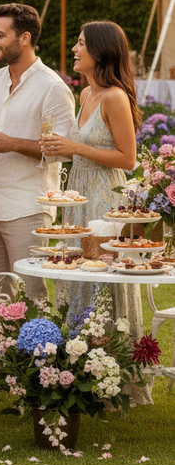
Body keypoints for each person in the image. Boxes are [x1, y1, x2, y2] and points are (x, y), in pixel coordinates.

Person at [0, 3, 75, 303]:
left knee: (31, 295)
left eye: (0, 35)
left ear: (23, 38)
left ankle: (40, 352)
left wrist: (13, 143)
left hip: (27, 208)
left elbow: (63, 149)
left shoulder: (52, 87)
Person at [41, 21, 143, 338]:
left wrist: (76, 148)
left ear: (100, 51)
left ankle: (111, 356)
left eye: (81, 43)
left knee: (103, 270)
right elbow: (83, 149)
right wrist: (63, 149)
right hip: (79, 193)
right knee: (78, 269)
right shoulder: (85, 93)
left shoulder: (114, 97)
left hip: (105, 197)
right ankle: (79, 357)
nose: (74, 48)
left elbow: (128, 158)